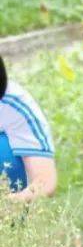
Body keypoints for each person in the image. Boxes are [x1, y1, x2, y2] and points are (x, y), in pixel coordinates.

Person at [1, 54, 57, 200]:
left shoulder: (13, 102)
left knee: (3, 153)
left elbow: (45, 182)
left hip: (8, 203)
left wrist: (8, 204)